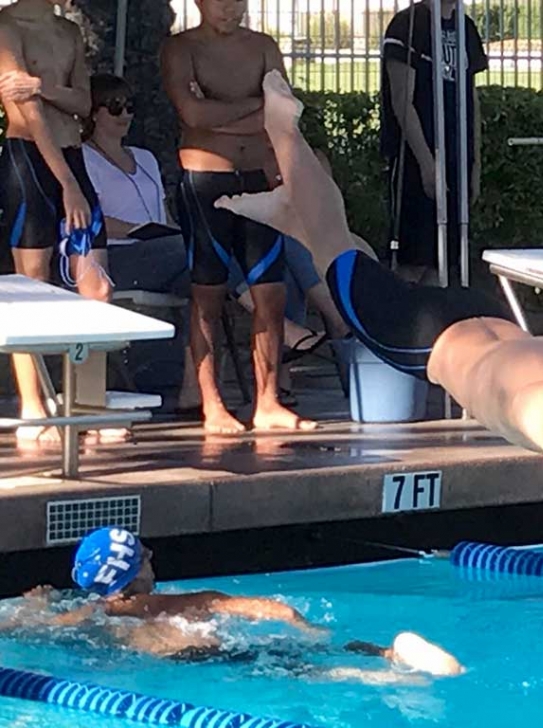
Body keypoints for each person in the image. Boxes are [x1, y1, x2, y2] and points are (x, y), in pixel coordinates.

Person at [217, 71, 543, 668]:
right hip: (416, 341)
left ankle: (289, 209)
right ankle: (286, 134)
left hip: (475, 310)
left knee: (347, 253)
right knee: (334, 245)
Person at [3, 527, 463, 678]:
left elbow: (19, 627)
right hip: (201, 647)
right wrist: (305, 626)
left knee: (286, 670)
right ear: (132, 572)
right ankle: (384, 656)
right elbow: (272, 610)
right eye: (143, 554)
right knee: (296, 659)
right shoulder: (187, 603)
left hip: (176, 661)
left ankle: (374, 674)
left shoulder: (83, 616)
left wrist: (35, 604)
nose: (152, 555)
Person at [161, 0, 321, 434]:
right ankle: (211, 402)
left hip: (258, 181)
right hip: (206, 181)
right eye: (221, 1)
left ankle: (267, 400)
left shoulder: (263, 46)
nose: (231, 9)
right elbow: (191, 115)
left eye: (239, 1)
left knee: (271, 293)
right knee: (208, 293)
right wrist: (256, 112)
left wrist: (223, 118)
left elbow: (285, 111)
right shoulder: (182, 48)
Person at [0, 0, 111, 446]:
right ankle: (33, 403)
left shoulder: (67, 32)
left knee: (97, 286)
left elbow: (83, 102)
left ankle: (86, 404)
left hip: (72, 159)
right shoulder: (5, 25)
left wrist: (42, 86)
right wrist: (67, 183)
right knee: (32, 283)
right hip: (29, 159)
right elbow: (23, 107)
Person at [81, 73, 202, 417]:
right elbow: (92, 223)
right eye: (114, 106)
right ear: (93, 112)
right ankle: (273, 324)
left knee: (207, 268)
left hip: (164, 252)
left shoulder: (145, 158)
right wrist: (138, 229)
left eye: (130, 106)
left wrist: (169, 232)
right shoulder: (84, 159)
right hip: (117, 255)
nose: (125, 114)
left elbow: (164, 214)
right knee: (200, 256)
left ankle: (191, 385)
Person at [380, 0, 488, 284]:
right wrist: (428, 165)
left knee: (442, 263)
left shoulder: (465, 27)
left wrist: (474, 163)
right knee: (413, 259)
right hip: (417, 160)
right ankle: (399, 323)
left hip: (457, 155)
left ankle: (432, 325)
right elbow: (402, 101)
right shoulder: (408, 25)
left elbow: (471, 100)